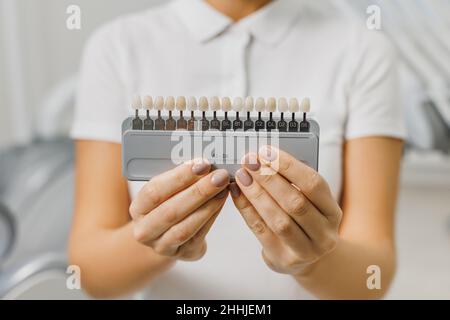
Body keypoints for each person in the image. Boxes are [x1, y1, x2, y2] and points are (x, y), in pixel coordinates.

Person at [69, 0, 405, 299]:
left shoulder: (362, 48)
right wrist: (157, 243)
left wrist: (311, 261)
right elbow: (92, 274)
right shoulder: (117, 46)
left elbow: (371, 279)